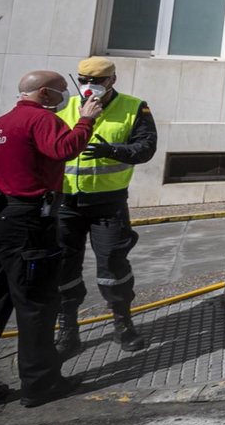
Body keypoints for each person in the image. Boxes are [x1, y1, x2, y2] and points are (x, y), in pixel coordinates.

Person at [0, 71, 103, 412]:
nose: (67, 97)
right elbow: (64, 149)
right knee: (36, 304)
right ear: (45, 94)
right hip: (23, 221)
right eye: (63, 91)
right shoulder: (40, 118)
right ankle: (41, 383)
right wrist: (86, 121)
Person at [53, 57, 157, 357]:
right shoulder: (66, 107)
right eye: (84, 80)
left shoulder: (135, 107)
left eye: (96, 81)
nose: (89, 87)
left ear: (112, 80)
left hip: (108, 203)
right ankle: (68, 329)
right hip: (66, 202)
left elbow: (146, 148)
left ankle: (123, 324)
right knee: (63, 267)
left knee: (113, 263)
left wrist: (113, 150)